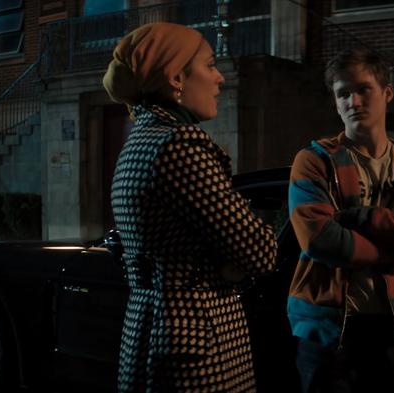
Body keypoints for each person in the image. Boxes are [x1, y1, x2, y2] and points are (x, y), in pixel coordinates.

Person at [103, 22, 278, 392]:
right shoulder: (180, 145)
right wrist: (225, 266)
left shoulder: (139, 142)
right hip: (196, 336)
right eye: (210, 65)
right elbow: (261, 253)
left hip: (150, 326)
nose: (220, 79)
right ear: (177, 77)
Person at [286, 48, 394, 393]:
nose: (353, 101)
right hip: (328, 328)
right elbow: (319, 240)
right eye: (343, 93)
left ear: (387, 93)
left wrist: (362, 218)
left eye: (363, 89)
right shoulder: (314, 161)